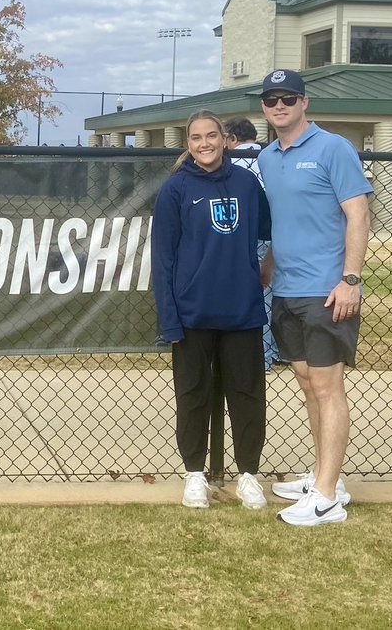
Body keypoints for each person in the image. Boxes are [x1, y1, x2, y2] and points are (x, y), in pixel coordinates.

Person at [257, 70, 372, 527]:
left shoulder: (333, 148)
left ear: (304, 103)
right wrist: (269, 265)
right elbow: (281, 219)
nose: (279, 106)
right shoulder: (267, 157)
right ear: (263, 107)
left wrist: (351, 279)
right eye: (271, 100)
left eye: (287, 98)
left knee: (327, 387)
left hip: (326, 291)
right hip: (286, 289)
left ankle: (325, 499)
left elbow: (358, 214)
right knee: (307, 384)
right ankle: (328, 477)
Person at [151, 110, 271, 510]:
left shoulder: (246, 183)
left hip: (242, 311)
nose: (204, 143)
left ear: (225, 139)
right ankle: (194, 475)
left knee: (247, 396)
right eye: (196, 137)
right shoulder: (175, 190)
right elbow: (163, 260)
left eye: (211, 136)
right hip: (192, 315)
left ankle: (248, 476)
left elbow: (271, 230)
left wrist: (267, 269)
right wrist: (170, 320)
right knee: (192, 396)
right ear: (188, 144)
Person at [224, 116, 285, 371]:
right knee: (281, 293)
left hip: (254, 233)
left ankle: (264, 356)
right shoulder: (271, 157)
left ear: (232, 138)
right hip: (283, 231)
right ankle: (282, 351)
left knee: (261, 295)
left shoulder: (232, 161)